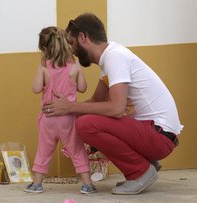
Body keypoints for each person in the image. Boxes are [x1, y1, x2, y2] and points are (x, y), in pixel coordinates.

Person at [42, 13, 183, 195]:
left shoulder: (115, 57)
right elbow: (95, 102)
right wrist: (62, 113)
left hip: (158, 137)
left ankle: (140, 172)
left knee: (86, 125)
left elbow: (116, 109)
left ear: (83, 37)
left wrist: (70, 107)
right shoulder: (109, 59)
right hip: (154, 133)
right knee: (85, 120)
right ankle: (145, 164)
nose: (71, 51)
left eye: (71, 43)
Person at [24, 26, 96, 194]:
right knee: (77, 150)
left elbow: (35, 89)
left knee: (44, 150)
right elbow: (83, 88)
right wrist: (78, 73)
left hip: (48, 118)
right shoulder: (74, 65)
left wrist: (40, 72)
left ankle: (37, 184)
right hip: (69, 118)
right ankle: (87, 184)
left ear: (44, 48)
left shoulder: (44, 66)